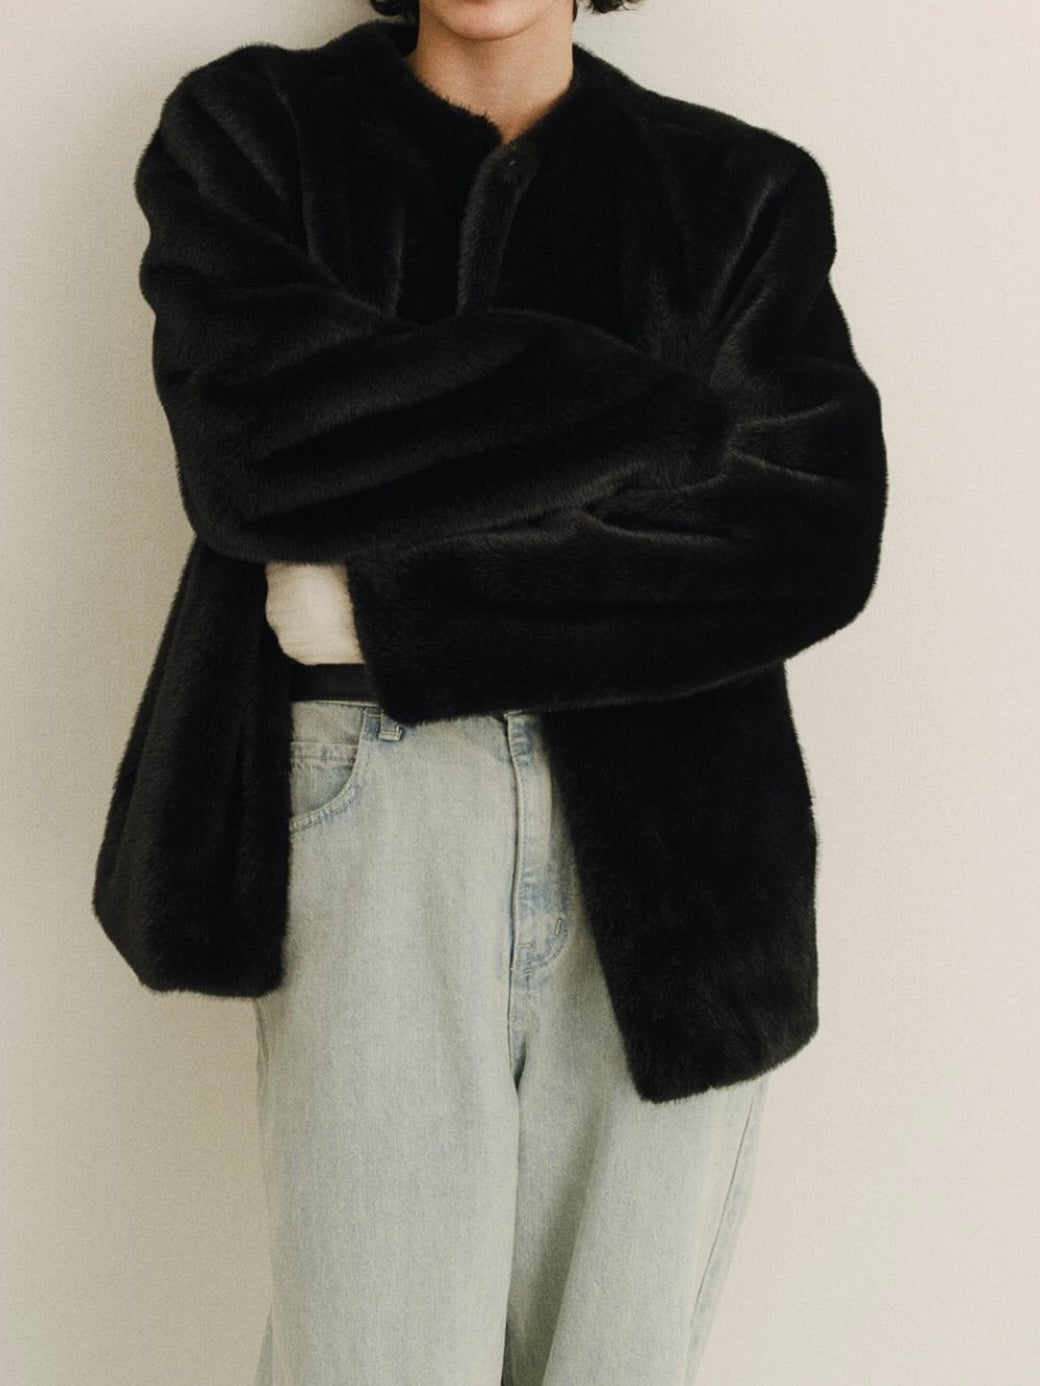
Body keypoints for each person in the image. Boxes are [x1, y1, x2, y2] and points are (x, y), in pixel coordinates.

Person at [94, 1, 887, 1382]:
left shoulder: (741, 191)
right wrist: (652, 414)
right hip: (376, 809)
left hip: (684, 859)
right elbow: (252, 450)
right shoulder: (253, 136)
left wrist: (393, 609)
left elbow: (807, 531)